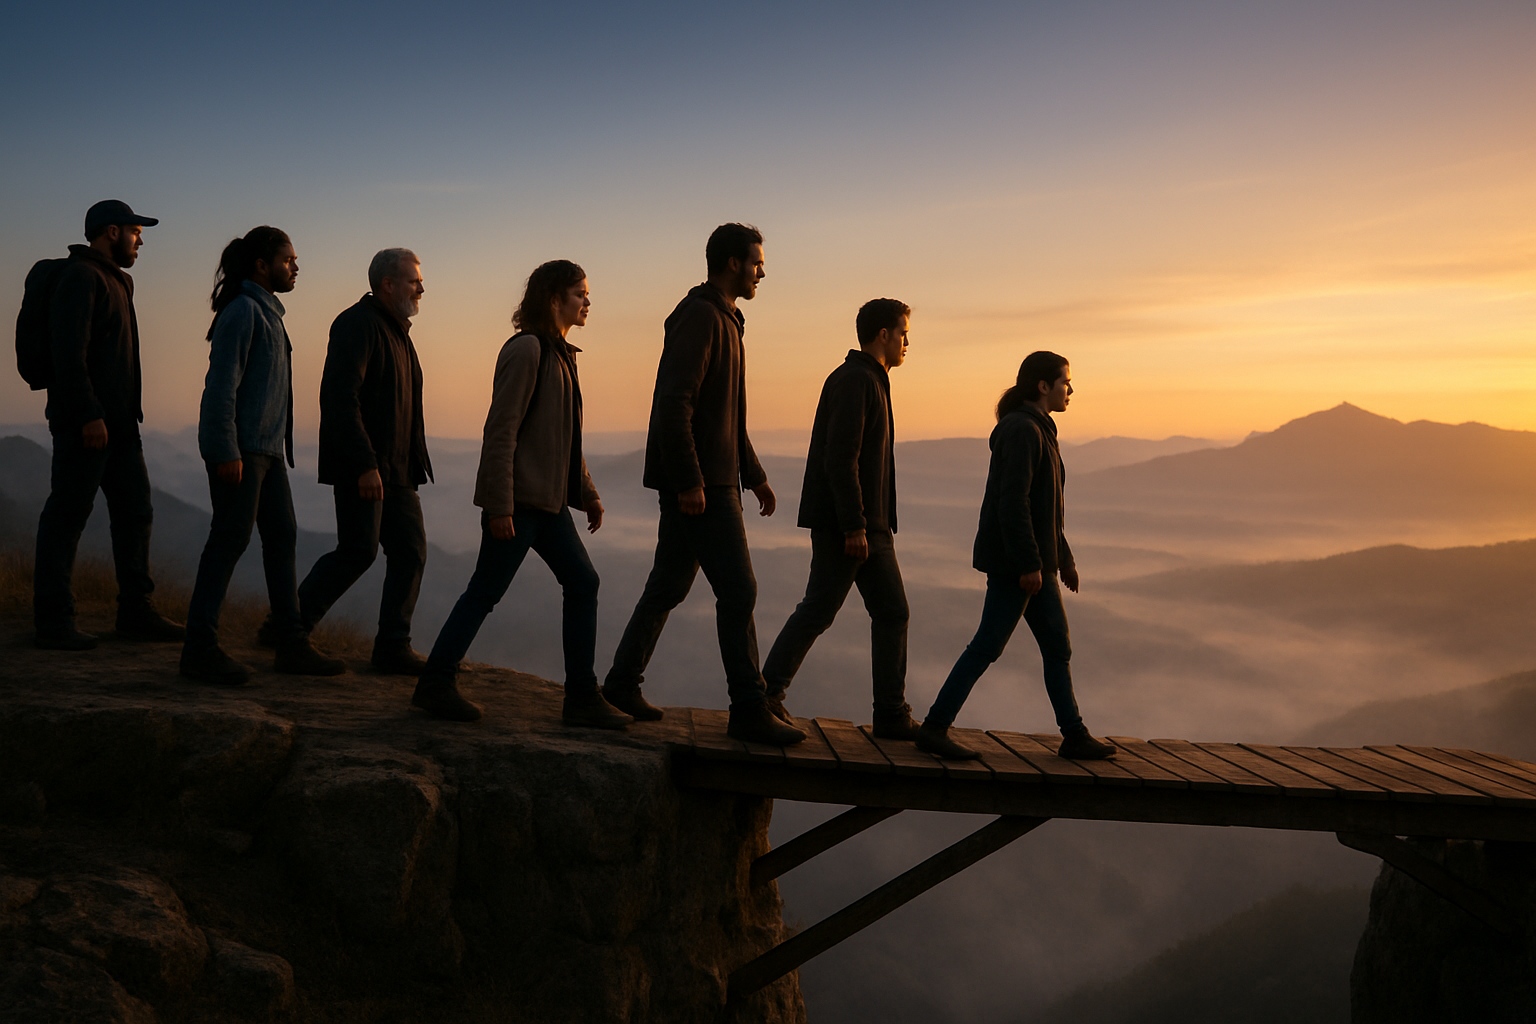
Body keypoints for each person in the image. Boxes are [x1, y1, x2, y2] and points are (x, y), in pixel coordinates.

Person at [601, 224, 805, 746]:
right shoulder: (701, 317)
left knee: (669, 584)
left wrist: (753, 474)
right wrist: (691, 480)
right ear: (733, 263)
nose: (762, 273)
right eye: (757, 263)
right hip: (704, 486)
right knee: (739, 590)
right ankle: (749, 708)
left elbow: (726, 414)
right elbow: (676, 403)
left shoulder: (725, 319)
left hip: (712, 479)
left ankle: (621, 684)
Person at [412, 261, 626, 727]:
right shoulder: (528, 349)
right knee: (484, 592)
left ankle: (581, 698)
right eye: (580, 293)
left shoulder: (561, 354)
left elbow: (564, 438)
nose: (588, 302)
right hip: (521, 504)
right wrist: (499, 506)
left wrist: (587, 493)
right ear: (554, 298)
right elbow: (501, 431)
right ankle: (436, 684)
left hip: (548, 505)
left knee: (582, 582)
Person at [916, 352, 1117, 761]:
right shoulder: (1024, 430)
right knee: (987, 645)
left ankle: (1074, 735)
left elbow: (1046, 509)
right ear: (1043, 386)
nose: (1071, 389)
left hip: (1037, 565)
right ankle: (934, 728)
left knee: (1056, 646)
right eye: (1065, 382)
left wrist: (1063, 559)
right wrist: (1028, 564)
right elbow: (1014, 503)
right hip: (1019, 566)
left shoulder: (1038, 429)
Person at [179, 228, 346, 686]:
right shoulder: (243, 311)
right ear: (261, 264)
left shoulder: (268, 313)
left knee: (282, 537)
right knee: (228, 541)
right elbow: (220, 387)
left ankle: (290, 643)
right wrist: (225, 449)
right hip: (243, 451)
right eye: (288, 260)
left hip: (267, 453)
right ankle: (199, 648)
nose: (296, 267)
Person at [761, 298, 919, 737]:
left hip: (869, 524)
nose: (907, 343)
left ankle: (891, 714)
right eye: (903, 334)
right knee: (820, 609)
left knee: (891, 611)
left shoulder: (869, 379)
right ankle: (765, 695)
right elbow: (840, 458)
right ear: (883, 335)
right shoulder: (855, 380)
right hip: (849, 526)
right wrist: (853, 524)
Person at [32, 200, 185, 650]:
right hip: (87, 425)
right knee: (67, 517)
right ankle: (53, 621)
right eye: (136, 233)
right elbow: (67, 352)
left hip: (120, 425)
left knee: (136, 513)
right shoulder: (82, 277)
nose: (141, 241)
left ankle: (135, 613)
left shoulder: (117, 280)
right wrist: (88, 414)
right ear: (112, 232)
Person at [295, 248, 433, 674]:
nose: (422, 289)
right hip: (367, 467)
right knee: (357, 550)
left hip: (398, 469)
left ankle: (393, 646)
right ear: (388, 284)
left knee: (410, 551)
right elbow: (340, 398)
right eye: (414, 281)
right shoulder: (357, 324)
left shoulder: (398, 332)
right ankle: (289, 629)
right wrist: (364, 464)